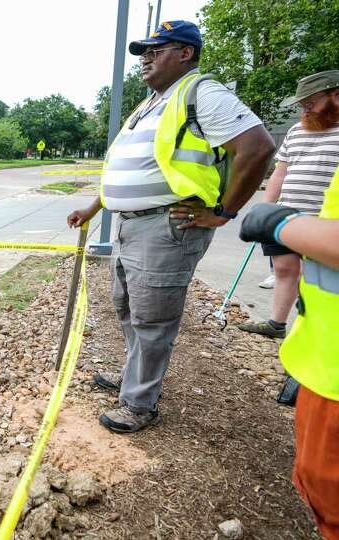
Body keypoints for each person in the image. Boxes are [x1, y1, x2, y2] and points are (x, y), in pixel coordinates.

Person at [66, 20, 275, 433]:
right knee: (129, 309)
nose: (145, 58)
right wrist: (94, 208)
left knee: (152, 319)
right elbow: (130, 167)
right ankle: (134, 379)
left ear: (185, 53)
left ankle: (140, 403)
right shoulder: (151, 103)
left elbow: (259, 148)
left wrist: (223, 212)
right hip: (131, 226)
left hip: (166, 228)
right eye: (144, 51)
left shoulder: (202, 94)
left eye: (156, 50)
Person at [239, 169, 339, 538]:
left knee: (331, 499)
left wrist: (285, 224)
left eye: (313, 103)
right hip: (322, 358)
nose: (307, 108)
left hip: (333, 378)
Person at [239, 70, 339, 338]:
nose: (305, 110)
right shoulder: (296, 131)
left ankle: (311, 331)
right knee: (284, 268)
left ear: (336, 96)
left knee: (316, 278)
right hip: (283, 216)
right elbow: (280, 173)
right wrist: (265, 208)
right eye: (302, 106)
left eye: (311, 104)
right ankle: (276, 323)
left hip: (323, 221)